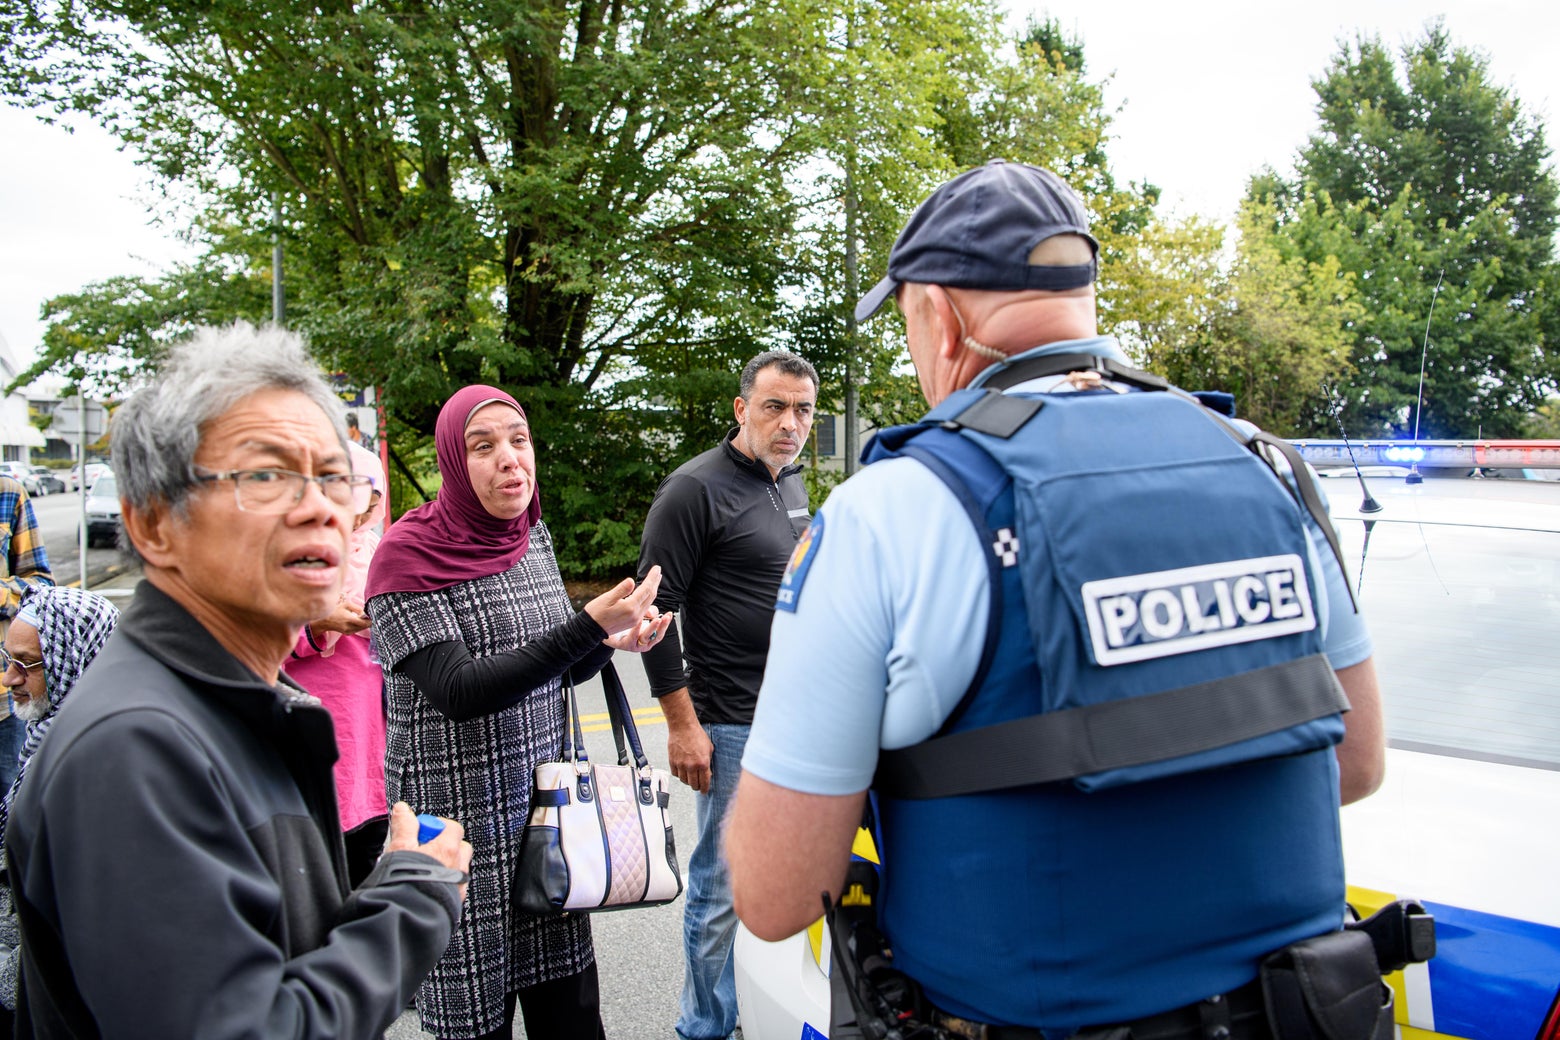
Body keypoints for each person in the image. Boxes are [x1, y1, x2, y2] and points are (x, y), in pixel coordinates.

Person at [727, 161, 1387, 1039]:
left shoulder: (894, 510)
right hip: (1298, 1013)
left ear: (939, 313)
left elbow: (774, 894)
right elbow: (1356, 764)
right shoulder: (1265, 465)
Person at [5, 321, 473, 1039]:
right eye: (265, 475)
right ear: (153, 523)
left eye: (331, 476)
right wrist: (413, 897)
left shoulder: (241, 705)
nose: (321, 507)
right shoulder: (134, 750)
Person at [365, 383, 672, 1040]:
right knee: (475, 1025)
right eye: (484, 446)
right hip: (454, 834)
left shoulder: (532, 539)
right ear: (453, 458)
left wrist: (610, 640)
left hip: (541, 818)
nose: (509, 458)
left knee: (573, 1016)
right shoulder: (406, 556)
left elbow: (557, 668)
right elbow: (461, 691)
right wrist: (585, 625)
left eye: (519, 440)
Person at [635, 349, 816, 1040]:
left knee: (787, 877)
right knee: (720, 888)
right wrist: (683, 726)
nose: (789, 422)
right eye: (774, 406)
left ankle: (755, 1012)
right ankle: (704, 1027)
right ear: (741, 408)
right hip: (732, 722)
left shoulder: (790, 482)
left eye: (802, 409)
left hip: (796, 718)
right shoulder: (694, 490)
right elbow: (652, 618)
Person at [0, 586, 120, 1034]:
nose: (10, 678)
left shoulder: (91, 758)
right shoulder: (51, 734)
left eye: (27, 663)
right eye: (7, 657)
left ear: (79, 659)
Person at [284, 441, 389, 886]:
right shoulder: (287, 555)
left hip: (372, 744)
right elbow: (254, 636)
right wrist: (318, 621)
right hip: (313, 736)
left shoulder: (380, 551)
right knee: (315, 883)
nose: (360, 518)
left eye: (369, 505)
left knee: (363, 862)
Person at [0, 475, 54, 795]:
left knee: (12, 816)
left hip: (3, 706)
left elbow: (42, 587)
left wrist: (3, 595)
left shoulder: (7, 494)